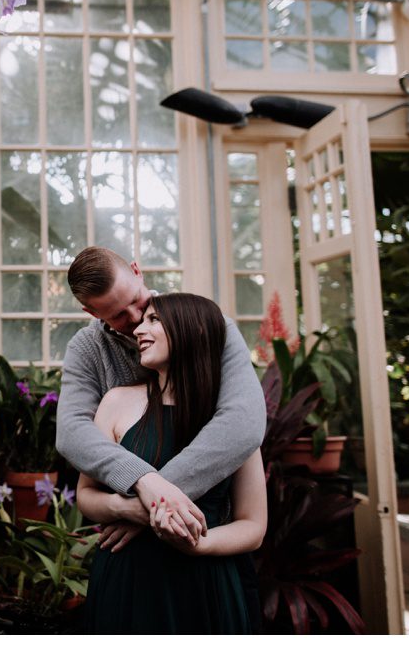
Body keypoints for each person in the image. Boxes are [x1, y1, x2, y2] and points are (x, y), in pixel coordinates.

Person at [77, 292, 266, 633]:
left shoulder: (232, 421)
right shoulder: (116, 403)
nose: (137, 330)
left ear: (191, 330)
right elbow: (86, 496)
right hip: (127, 578)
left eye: (153, 320)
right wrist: (129, 510)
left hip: (206, 580)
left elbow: (253, 526)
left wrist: (200, 545)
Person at [57, 247, 264, 543]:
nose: (136, 317)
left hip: (208, 533)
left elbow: (243, 421)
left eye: (135, 300)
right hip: (130, 547)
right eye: (118, 315)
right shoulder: (87, 349)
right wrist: (143, 481)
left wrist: (154, 504)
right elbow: (72, 432)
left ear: (137, 271)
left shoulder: (209, 325)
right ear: (92, 313)